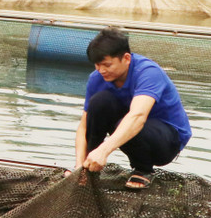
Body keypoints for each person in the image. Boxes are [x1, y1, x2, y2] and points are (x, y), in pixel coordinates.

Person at [74, 27, 191, 189]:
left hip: (167, 139)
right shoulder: (97, 78)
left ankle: (143, 169)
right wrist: (79, 165)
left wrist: (104, 151)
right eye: (97, 65)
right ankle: (89, 168)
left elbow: (138, 116)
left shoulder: (148, 73)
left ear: (126, 58)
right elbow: (84, 127)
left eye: (107, 65)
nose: (101, 70)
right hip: (129, 128)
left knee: (125, 122)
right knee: (100, 102)